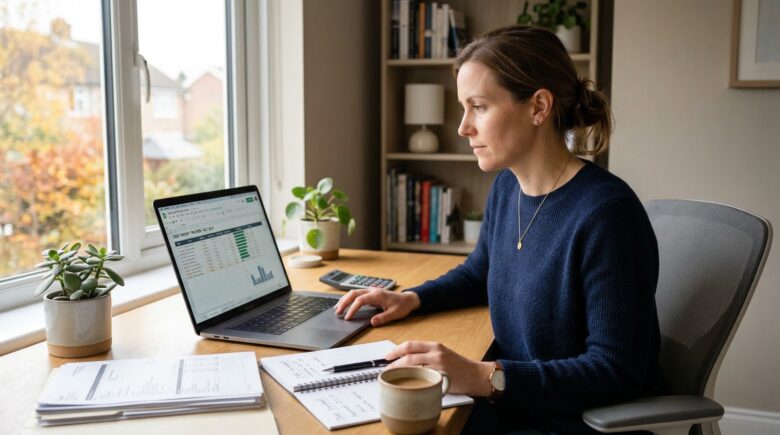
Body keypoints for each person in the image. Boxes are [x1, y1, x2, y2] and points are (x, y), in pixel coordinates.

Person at [336, 25, 661, 435]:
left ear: (538, 107)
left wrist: (486, 376)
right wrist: (411, 299)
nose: (463, 127)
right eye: (463, 108)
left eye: (480, 107)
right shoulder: (509, 185)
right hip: (514, 405)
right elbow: (480, 272)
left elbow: (614, 371)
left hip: (570, 422)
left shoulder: (607, 216)